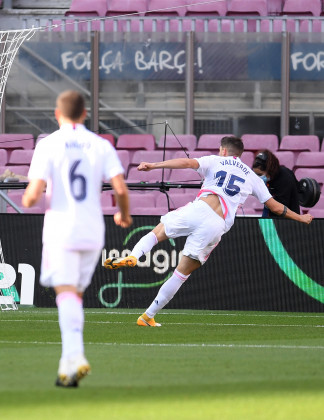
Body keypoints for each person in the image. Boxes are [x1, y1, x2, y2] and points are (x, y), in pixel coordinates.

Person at [104, 136, 313, 327]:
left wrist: (153, 165)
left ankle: (133, 256)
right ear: (240, 154)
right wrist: (301, 217)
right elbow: (276, 207)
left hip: (198, 208)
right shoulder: (252, 177)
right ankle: (147, 316)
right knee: (180, 273)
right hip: (216, 224)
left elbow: (186, 163)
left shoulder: (215, 160)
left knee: (156, 233)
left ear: (223, 150)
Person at [22, 90, 132, 388]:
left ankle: (77, 354)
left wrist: (29, 198)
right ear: (85, 114)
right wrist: (123, 214)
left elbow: (32, 196)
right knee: (74, 297)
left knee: (66, 294)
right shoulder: (101, 144)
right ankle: (67, 369)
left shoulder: (49, 144)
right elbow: (121, 189)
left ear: (57, 115)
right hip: (93, 229)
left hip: (62, 228)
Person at [252, 150, 301, 217]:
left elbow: (279, 209)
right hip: (270, 218)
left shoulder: (285, 178)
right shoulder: (269, 179)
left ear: (268, 170)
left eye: (259, 174)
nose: (258, 177)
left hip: (287, 221)